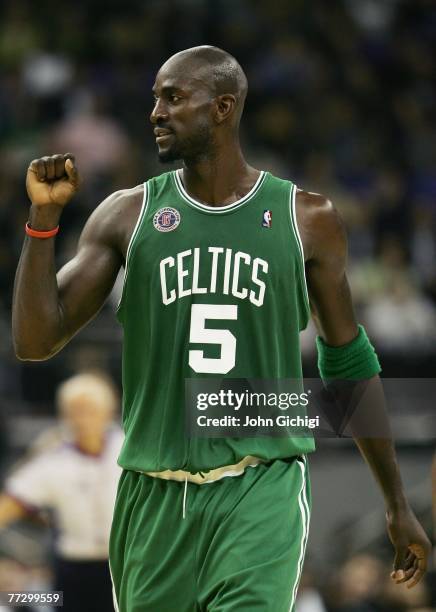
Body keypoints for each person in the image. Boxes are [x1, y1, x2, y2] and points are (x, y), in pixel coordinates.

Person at [12, 46, 430, 611]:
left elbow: (347, 362)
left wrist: (396, 502)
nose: (156, 112)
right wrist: (41, 225)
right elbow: (35, 342)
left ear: (223, 107)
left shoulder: (305, 217)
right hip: (153, 491)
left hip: (260, 484)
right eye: (155, 98)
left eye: (174, 97)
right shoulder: (127, 214)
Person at [0, 372, 123, 612]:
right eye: (74, 411)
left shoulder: (127, 450)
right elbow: (12, 502)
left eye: (90, 410)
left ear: (108, 411)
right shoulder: (53, 458)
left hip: (123, 565)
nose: (82, 419)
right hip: (73, 568)